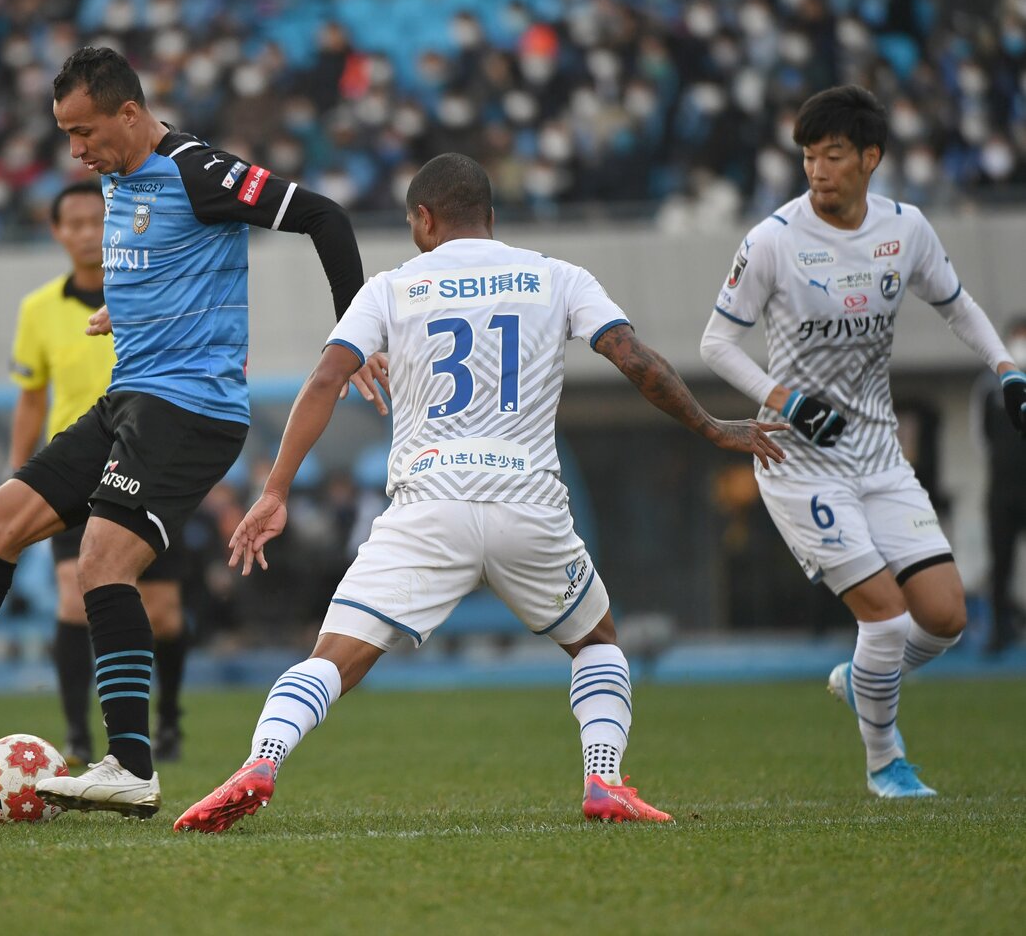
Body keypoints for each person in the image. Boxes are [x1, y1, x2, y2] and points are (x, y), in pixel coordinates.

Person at [0, 46, 384, 820]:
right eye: (66, 135)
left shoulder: (198, 170)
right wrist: (133, 309)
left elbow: (324, 215)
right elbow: (165, 260)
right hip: (130, 399)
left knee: (102, 563)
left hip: (192, 410)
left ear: (130, 114)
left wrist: (356, 335)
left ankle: (132, 763)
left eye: (84, 132)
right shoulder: (117, 178)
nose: (76, 151)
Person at [174, 154, 785, 833]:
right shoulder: (559, 277)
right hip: (529, 506)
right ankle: (604, 778)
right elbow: (633, 358)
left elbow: (324, 381)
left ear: (424, 219)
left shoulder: (391, 287)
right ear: (490, 218)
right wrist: (710, 425)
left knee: (332, 659)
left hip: (428, 507)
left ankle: (261, 760)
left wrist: (276, 490)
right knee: (597, 643)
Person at [698, 85, 1026, 798]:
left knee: (944, 618)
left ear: (870, 158)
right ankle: (886, 762)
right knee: (885, 614)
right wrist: (782, 399)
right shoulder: (772, 240)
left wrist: (1006, 367)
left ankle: (862, 679)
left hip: (877, 453)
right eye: (809, 157)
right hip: (798, 459)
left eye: (834, 155)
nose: (817, 170)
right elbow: (716, 342)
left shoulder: (905, 231)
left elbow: (958, 306)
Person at [10, 181, 189, 766]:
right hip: (75, 467)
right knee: (70, 600)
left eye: (96, 220)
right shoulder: (37, 310)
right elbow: (31, 399)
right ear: (58, 232)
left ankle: (166, 720)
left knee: (161, 611)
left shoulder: (149, 291)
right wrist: (20, 475)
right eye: (75, 223)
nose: (87, 232)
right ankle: (78, 734)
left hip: (149, 462)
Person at [975, 314, 1026, 652]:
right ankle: (1000, 629)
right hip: (1002, 489)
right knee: (1001, 562)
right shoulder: (988, 385)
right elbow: (980, 437)